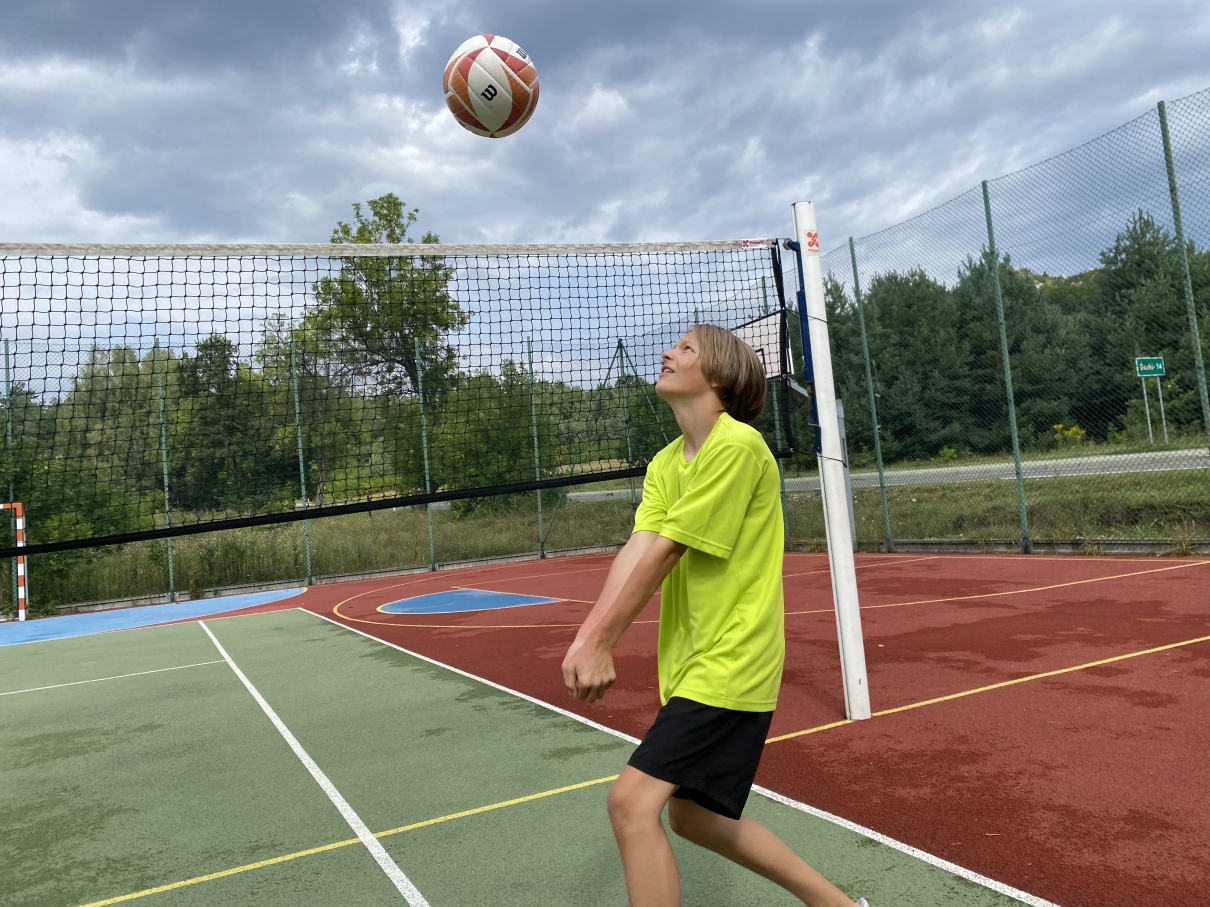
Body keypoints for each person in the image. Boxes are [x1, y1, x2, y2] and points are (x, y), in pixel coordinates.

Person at [562, 325, 867, 907]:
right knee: (694, 818)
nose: (667, 353)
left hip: (732, 660)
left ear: (720, 376)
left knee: (630, 804)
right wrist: (587, 638)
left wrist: (603, 640)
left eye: (686, 349)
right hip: (691, 664)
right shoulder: (666, 463)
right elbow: (639, 549)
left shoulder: (737, 446)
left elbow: (669, 549)